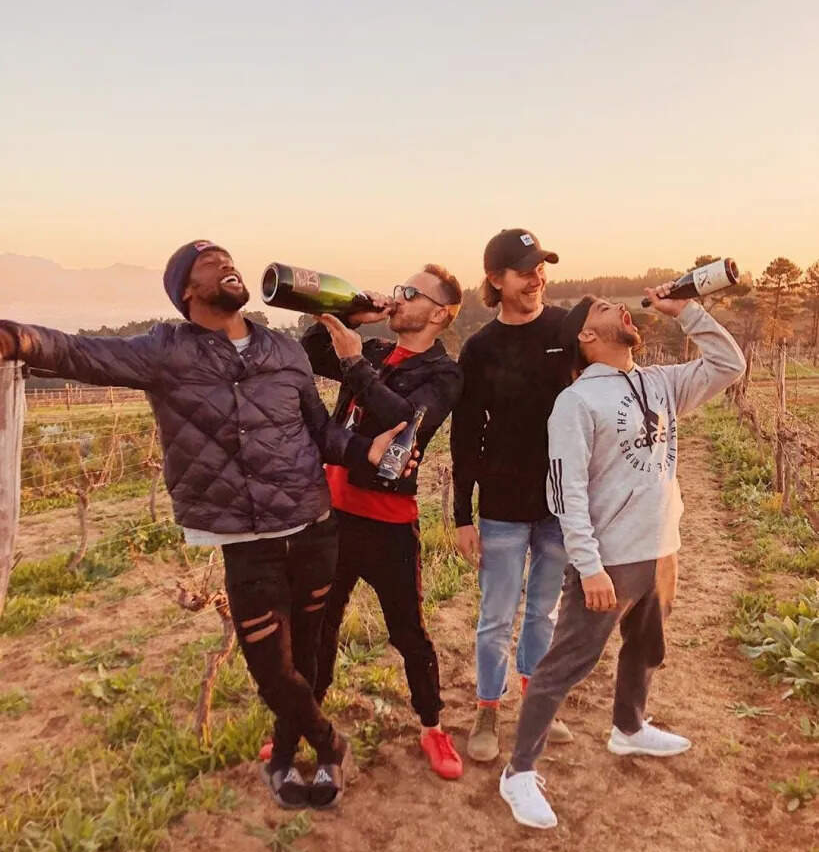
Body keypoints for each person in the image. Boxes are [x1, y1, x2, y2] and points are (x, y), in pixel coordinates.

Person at [0, 240, 407, 811]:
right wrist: (15, 338)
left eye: (228, 257)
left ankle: (286, 755)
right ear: (186, 291)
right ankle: (329, 743)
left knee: (309, 655)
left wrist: (365, 452)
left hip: (313, 527)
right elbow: (78, 352)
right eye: (209, 262)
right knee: (272, 670)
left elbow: (319, 432)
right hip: (247, 541)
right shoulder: (165, 351)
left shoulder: (283, 351)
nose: (226, 264)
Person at [499, 284, 746, 829]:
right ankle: (518, 772)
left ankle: (629, 728)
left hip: (661, 549)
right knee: (565, 666)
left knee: (647, 645)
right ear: (588, 335)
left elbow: (730, 364)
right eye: (605, 308)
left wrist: (689, 311)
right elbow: (566, 492)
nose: (622, 309)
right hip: (609, 561)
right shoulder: (576, 403)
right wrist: (589, 566)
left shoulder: (659, 383)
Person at [302, 264, 466, 779]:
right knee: (320, 624)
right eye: (400, 289)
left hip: (389, 524)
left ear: (439, 314)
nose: (399, 297)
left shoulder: (444, 374)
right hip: (333, 514)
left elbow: (406, 421)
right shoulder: (373, 350)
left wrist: (355, 364)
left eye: (411, 293)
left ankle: (432, 726)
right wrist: (350, 316)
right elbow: (311, 352)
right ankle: (308, 721)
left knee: (408, 632)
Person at [450, 228, 574, 763]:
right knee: (497, 617)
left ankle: (537, 702)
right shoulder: (480, 349)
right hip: (501, 506)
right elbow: (464, 435)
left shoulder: (566, 330)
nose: (536, 278)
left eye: (540, 268)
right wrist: (462, 515)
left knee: (544, 613)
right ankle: (487, 709)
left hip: (560, 504)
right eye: (525, 271)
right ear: (495, 280)